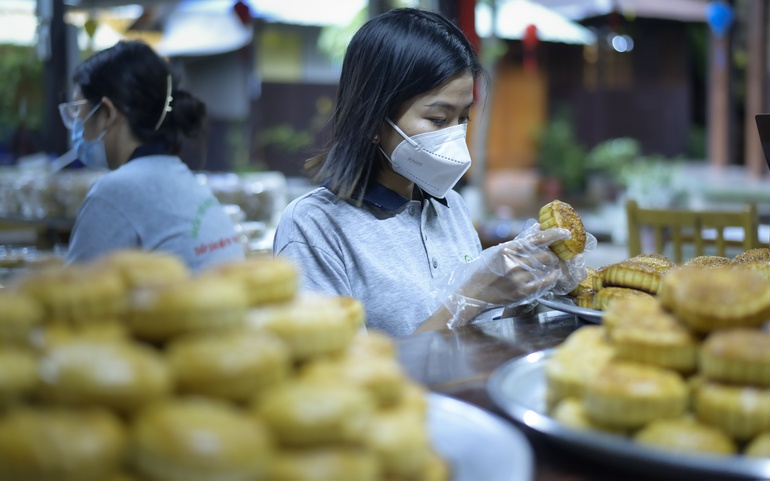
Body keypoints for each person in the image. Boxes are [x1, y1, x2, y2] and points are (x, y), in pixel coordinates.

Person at [273, 8, 585, 337]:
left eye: (463, 118)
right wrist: (472, 295)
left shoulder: (450, 207)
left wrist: (524, 291)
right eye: (438, 119)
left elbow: (480, 339)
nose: (454, 135)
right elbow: (349, 368)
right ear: (373, 118)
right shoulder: (315, 226)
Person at [60, 40, 244, 271]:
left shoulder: (113, 191)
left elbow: (76, 290)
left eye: (78, 111)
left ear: (107, 113)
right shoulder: (181, 176)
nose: (76, 125)